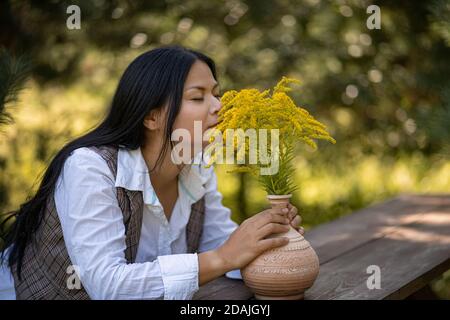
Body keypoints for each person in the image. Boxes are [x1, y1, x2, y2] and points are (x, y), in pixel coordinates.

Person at [0, 45, 302, 300]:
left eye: (216, 94)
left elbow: (222, 245)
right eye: (198, 97)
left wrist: (268, 241)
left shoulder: (197, 166)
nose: (219, 106)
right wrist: (223, 258)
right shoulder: (89, 168)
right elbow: (108, 286)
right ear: (152, 116)